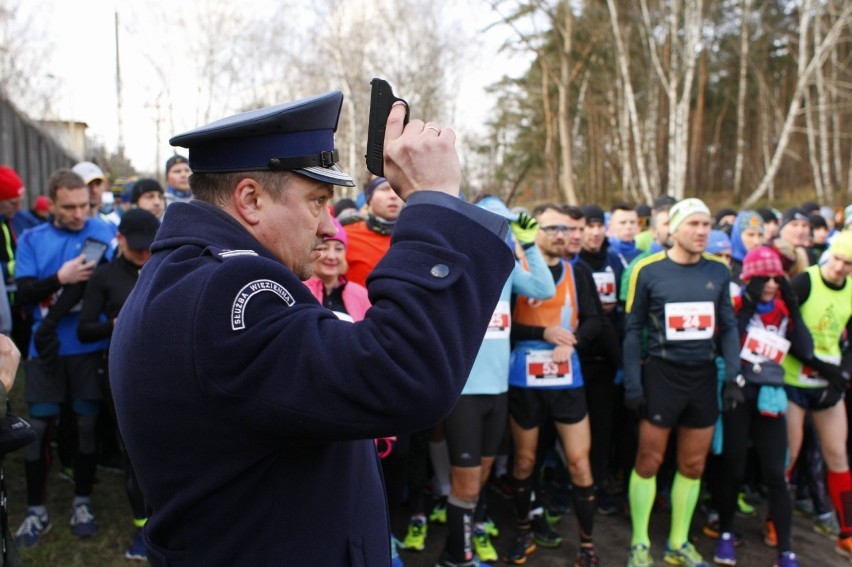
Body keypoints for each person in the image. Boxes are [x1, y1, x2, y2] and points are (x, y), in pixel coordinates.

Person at [108, 90, 514, 566]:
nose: (327, 228)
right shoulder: (228, 287)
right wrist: (435, 202)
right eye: (317, 201)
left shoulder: (186, 273)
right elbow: (403, 374)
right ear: (250, 199)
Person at [435, 196, 555, 567]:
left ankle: (454, 552)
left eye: (504, 227)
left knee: (481, 477)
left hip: (498, 392)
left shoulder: (507, 271)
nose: (499, 234)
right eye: (492, 225)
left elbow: (543, 288)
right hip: (465, 394)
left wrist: (530, 245)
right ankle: (460, 557)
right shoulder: (459, 266)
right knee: (466, 483)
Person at [623, 198, 739, 567]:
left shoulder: (719, 271)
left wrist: (733, 375)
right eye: (695, 224)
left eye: (707, 224)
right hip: (661, 374)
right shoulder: (648, 269)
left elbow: (730, 327)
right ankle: (640, 543)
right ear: (674, 229)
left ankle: (677, 543)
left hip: (703, 376)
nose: (703, 231)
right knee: (649, 460)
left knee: (693, 465)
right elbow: (632, 330)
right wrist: (633, 385)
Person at [12, 168, 115, 548]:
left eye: (84, 206)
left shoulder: (101, 233)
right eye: (68, 207)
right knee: (37, 431)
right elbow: (22, 295)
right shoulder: (32, 239)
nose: (78, 214)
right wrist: (61, 276)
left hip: (87, 351)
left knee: (87, 427)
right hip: (46, 350)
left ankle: (82, 502)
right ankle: (36, 510)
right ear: (51, 203)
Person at [504, 204, 603, 567]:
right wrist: (541, 333)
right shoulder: (515, 272)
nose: (561, 235)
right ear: (533, 232)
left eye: (564, 228)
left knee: (580, 463)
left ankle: (588, 545)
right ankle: (522, 528)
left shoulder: (580, 274)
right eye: (551, 228)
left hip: (567, 379)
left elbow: (595, 322)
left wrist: (572, 339)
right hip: (525, 380)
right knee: (526, 461)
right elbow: (502, 326)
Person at [714, 246, 810, 567]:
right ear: (749, 278)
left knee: (775, 472)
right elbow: (726, 341)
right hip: (739, 392)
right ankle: (726, 533)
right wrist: (747, 308)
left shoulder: (783, 309)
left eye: (775, 277)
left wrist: (794, 311)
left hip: (771, 394)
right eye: (762, 277)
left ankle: (785, 550)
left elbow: (805, 350)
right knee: (734, 465)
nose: (770, 283)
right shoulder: (736, 303)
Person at [77, 208, 160, 562]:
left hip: (167, 372)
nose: (143, 254)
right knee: (133, 452)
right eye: (136, 247)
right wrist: (118, 322)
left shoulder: (168, 265)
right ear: (121, 240)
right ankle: (144, 528)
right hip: (123, 373)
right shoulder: (106, 276)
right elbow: (84, 329)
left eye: (149, 247)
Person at [781, 230, 852, 560]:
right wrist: (821, 367)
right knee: (789, 454)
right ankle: (774, 521)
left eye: (848, 264)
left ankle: (847, 532)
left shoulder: (851, 289)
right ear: (829, 255)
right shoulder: (805, 282)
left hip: (828, 384)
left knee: (837, 454)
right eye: (837, 259)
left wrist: (842, 376)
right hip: (794, 379)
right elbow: (787, 330)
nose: (840, 269)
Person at [303, 215, 369, 322]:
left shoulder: (361, 295)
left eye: (338, 249)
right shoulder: (299, 290)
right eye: (324, 248)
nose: (332, 256)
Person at [344, 176, 403, 286]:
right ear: (369, 197)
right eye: (385, 189)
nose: (393, 195)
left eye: (397, 189)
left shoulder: (416, 236)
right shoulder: (345, 237)